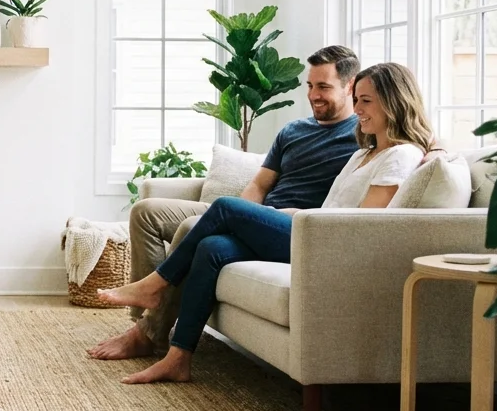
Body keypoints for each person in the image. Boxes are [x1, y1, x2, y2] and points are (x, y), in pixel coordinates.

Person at [95, 62, 433, 383]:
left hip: (329, 246)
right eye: (357, 100)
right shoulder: (364, 152)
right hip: (309, 230)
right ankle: (178, 358)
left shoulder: (400, 155)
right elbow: (333, 206)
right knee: (212, 247)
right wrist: (291, 217)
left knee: (226, 208)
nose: (358, 108)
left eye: (366, 101)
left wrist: (437, 149)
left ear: (394, 102)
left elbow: (360, 226)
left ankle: (154, 284)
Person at [88, 45, 362, 363]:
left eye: (324, 87)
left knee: (195, 229)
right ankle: (145, 317)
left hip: (290, 223)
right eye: (310, 86)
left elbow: (401, 142)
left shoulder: (359, 136)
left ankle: (149, 329)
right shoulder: (293, 130)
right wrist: (246, 217)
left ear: (350, 86)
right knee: (145, 211)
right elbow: (260, 184)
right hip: (252, 216)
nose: (314, 95)